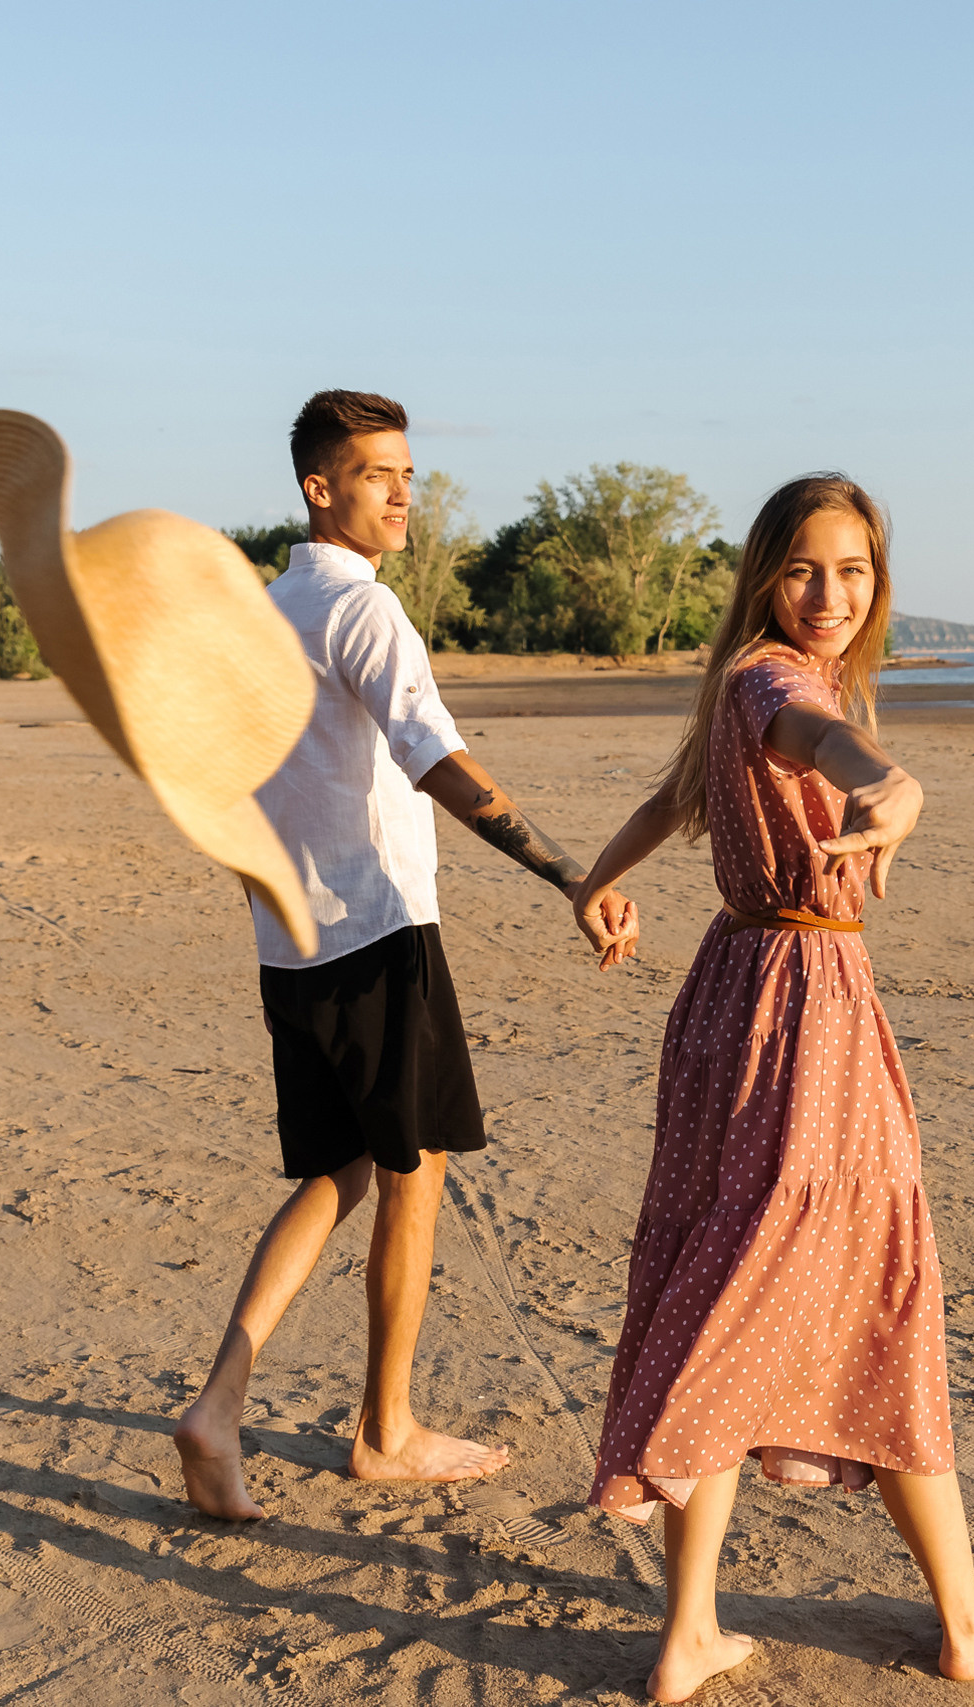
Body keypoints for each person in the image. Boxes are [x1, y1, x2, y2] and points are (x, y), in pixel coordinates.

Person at [568, 475, 974, 1700]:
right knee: (867, 1288)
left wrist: (595, 881)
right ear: (766, 574)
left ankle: (687, 1632)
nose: (831, 595)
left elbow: (676, 798)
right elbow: (831, 748)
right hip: (803, 999)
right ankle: (965, 1619)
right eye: (806, 569)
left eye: (855, 571)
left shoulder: (749, 682)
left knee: (729, 1267)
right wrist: (895, 786)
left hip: (737, 995)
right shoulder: (775, 684)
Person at [173, 389, 637, 1520]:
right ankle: (383, 1430)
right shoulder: (362, 613)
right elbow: (435, 756)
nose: (401, 492)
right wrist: (572, 873)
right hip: (379, 934)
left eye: (410, 473)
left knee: (339, 1172)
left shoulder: (261, 611)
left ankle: (218, 1402)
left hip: (290, 944)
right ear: (317, 488)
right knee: (413, 1175)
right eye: (376, 472)